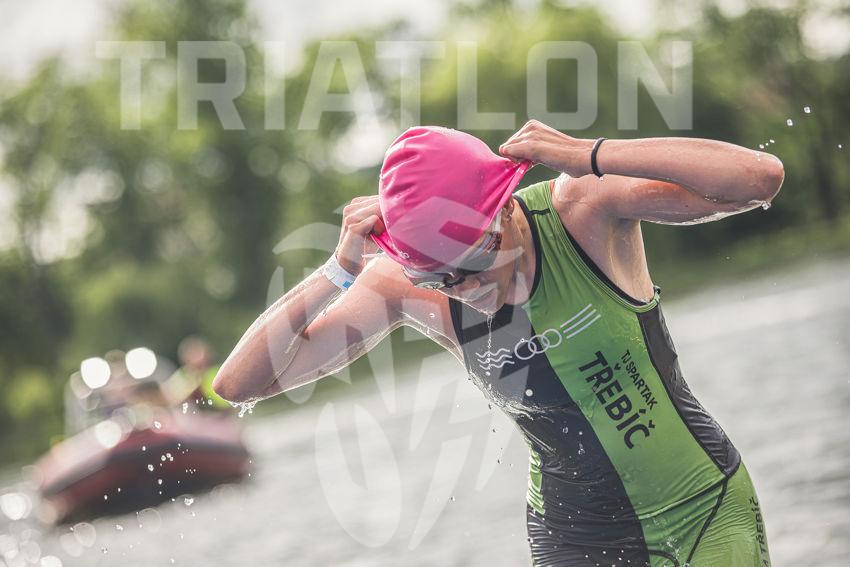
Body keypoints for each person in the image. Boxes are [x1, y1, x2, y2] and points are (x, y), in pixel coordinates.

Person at [213, 122, 783, 566]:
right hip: (575, 540)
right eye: (438, 278)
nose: (464, 288)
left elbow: (759, 180)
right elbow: (239, 385)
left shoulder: (583, 211)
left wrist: (587, 154)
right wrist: (337, 273)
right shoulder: (403, 287)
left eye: (473, 262)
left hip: (703, 510)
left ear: (506, 208)